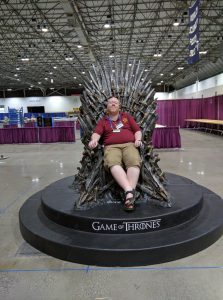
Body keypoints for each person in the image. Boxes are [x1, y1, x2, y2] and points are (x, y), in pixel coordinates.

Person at [88, 96, 142, 211]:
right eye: (111, 102)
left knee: (133, 160)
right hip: (111, 147)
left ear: (119, 106)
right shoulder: (103, 121)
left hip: (129, 144)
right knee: (112, 162)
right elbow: (96, 134)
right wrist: (94, 140)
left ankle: (129, 195)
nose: (113, 104)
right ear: (107, 106)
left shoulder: (126, 117)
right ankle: (129, 191)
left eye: (115, 103)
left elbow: (137, 130)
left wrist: (138, 139)